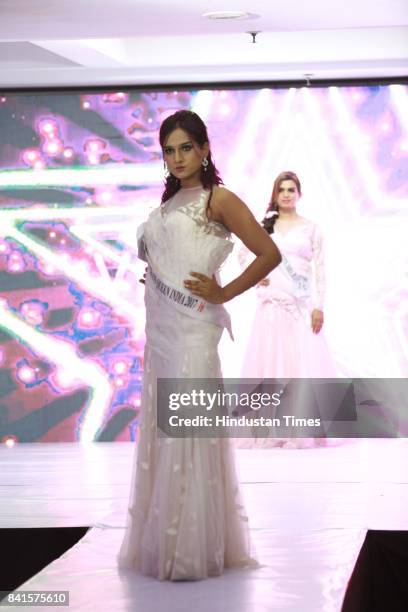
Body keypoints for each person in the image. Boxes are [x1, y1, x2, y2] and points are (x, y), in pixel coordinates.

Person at [117, 110, 281, 580]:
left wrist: (224, 293)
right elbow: (167, 258)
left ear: (206, 149)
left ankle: (189, 548)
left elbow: (269, 253)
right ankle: (166, 539)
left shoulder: (219, 199)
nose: (177, 158)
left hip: (193, 333)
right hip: (161, 331)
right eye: (169, 150)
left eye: (186, 147)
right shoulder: (168, 204)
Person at [240, 171, 337, 448]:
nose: (286, 194)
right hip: (271, 304)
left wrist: (319, 307)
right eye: (281, 189)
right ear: (275, 194)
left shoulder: (311, 228)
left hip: (301, 306)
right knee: (271, 364)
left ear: (299, 194)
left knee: (302, 364)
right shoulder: (265, 227)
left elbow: (321, 270)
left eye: (291, 189)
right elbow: (244, 254)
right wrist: (256, 275)